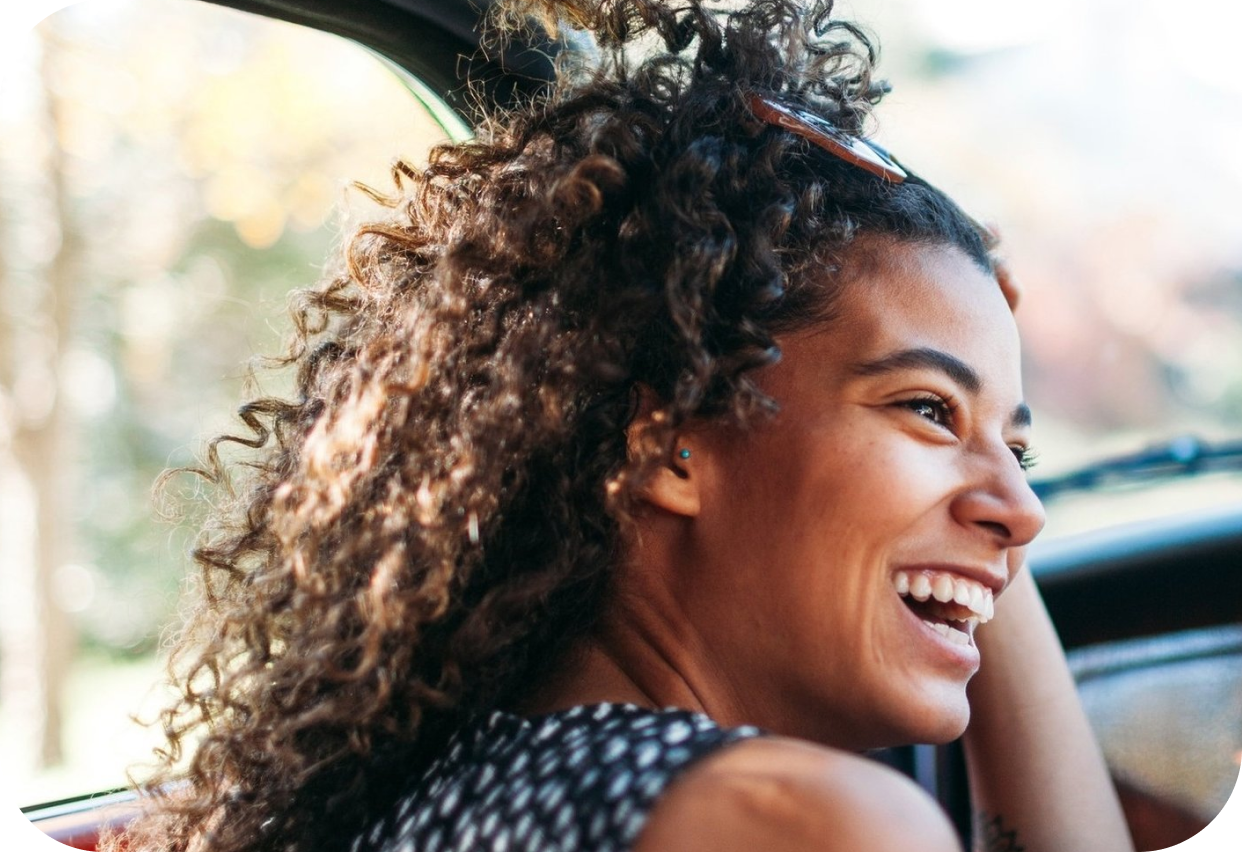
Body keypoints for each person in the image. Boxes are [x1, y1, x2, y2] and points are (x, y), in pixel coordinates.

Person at [115, 2, 1136, 851]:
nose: (1025, 512)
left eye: (1021, 447)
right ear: (667, 443)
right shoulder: (809, 826)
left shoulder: (457, 792)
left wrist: (967, 458)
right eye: (926, 407)